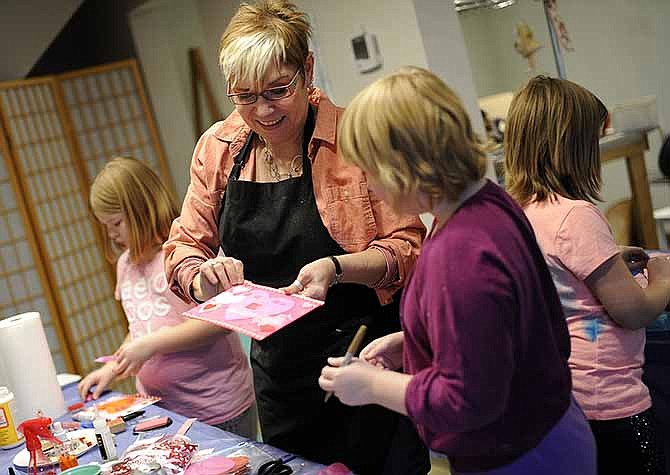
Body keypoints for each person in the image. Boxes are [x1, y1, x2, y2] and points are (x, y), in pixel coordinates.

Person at [163, 2, 428, 473]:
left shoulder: (354, 138)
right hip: (281, 378)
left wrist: (337, 268)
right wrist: (206, 280)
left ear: (306, 69)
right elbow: (182, 248)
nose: (262, 111)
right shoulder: (219, 149)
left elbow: (408, 246)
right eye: (244, 96)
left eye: (277, 91)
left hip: (365, 358)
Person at [318, 67, 597, 475]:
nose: (372, 188)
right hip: (547, 431)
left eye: (372, 172)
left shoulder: (462, 253)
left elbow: (469, 398)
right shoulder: (486, 200)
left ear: (405, 165)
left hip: (521, 456)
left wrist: (372, 387)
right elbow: (496, 326)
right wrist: (413, 343)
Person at [504, 76, 670, 474]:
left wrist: (611, 260)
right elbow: (634, 311)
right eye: (593, 142)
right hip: (612, 400)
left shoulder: (518, 213)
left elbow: (566, 278)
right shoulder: (576, 215)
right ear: (572, 146)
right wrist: (663, 276)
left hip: (567, 398)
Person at [78, 157, 256, 439]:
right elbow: (139, 326)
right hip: (163, 410)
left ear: (142, 211)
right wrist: (115, 365)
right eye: (105, 226)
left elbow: (218, 323)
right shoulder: (126, 264)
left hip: (215, 408)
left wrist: (151, 345)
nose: (111, 234)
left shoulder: (183, 257)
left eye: (116, 223)